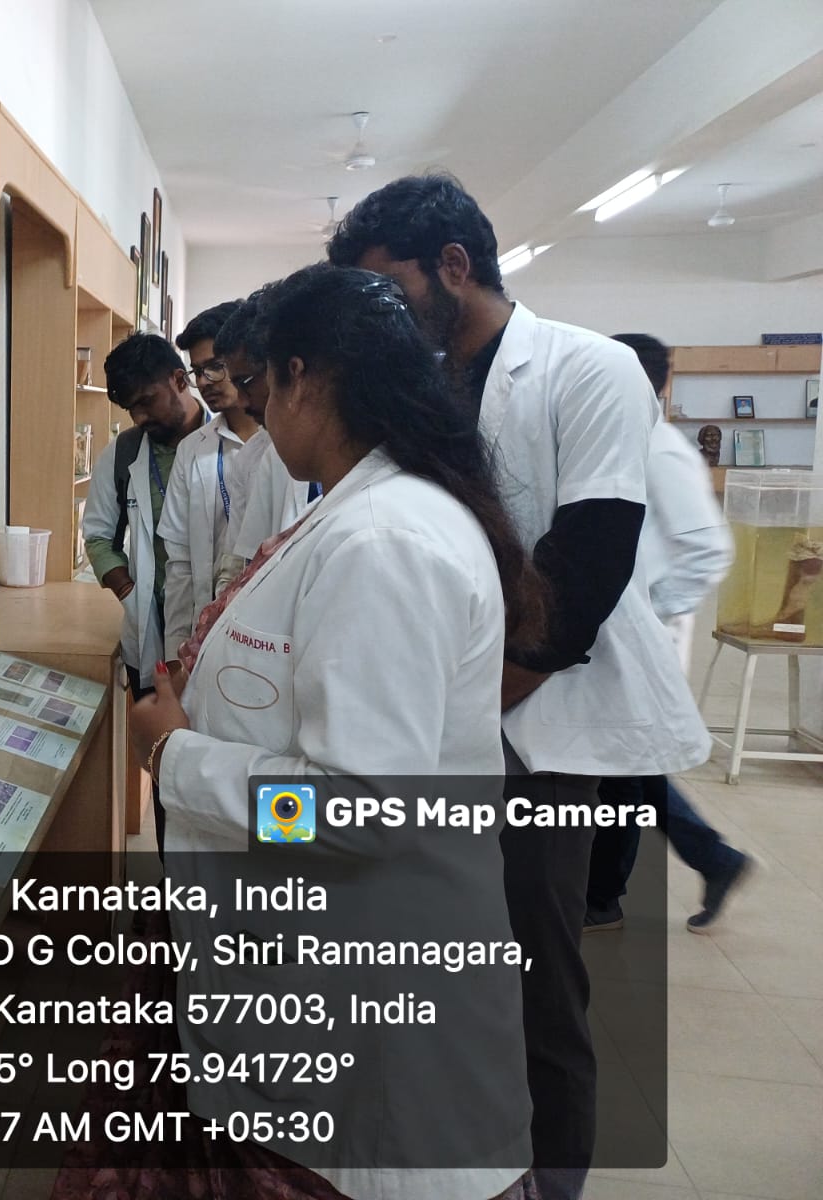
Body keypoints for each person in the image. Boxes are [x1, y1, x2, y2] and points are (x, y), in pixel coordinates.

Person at [328, 173, 709, 1200]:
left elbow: (586, 564)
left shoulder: (587, 368)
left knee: (535, 979)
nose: (381, 313)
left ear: (453, 266)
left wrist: (471, 705)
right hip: (435, 709)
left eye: (391, 287)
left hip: (537, 721)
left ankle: (552, 1182)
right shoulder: (417, 387)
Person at [127, 264, 544, 1200]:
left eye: (260, 386)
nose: (254, 412)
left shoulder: (383, 541)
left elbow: (359, 813)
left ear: (303, 377)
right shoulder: (359, 511)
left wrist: (174, 756)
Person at [586, 333, 752, 934]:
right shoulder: (622, 440)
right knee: (624, 763)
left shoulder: (661, 450)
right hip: (614, 631)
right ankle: (707, 859)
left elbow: (709, 548)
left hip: (644, 633)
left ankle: (608, 895)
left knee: (625, 767)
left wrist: (653, 611)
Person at [81, 333, 207, 852]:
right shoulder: (126, 452)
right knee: (166, 769)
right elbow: (97, 535)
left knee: (219, 767)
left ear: (179, 380)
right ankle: (173, 879)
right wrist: (132, 593)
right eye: (130, 408)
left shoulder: (233, 441)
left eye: (147, 401)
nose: (139, 417)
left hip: (219, 639)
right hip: (152, 644)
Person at [159, 301, 258, 662]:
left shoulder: (283, 447)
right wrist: (175, 655)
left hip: (268, 634)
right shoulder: (192, 450)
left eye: (215, 366)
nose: (203, 382)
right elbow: (180, 564)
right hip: (207, 636)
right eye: (197, 371)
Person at [210, 293, 317, 589]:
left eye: (245, 383)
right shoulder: (257, 457)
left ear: (291, 371)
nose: (241, 401)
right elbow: (244, 563)